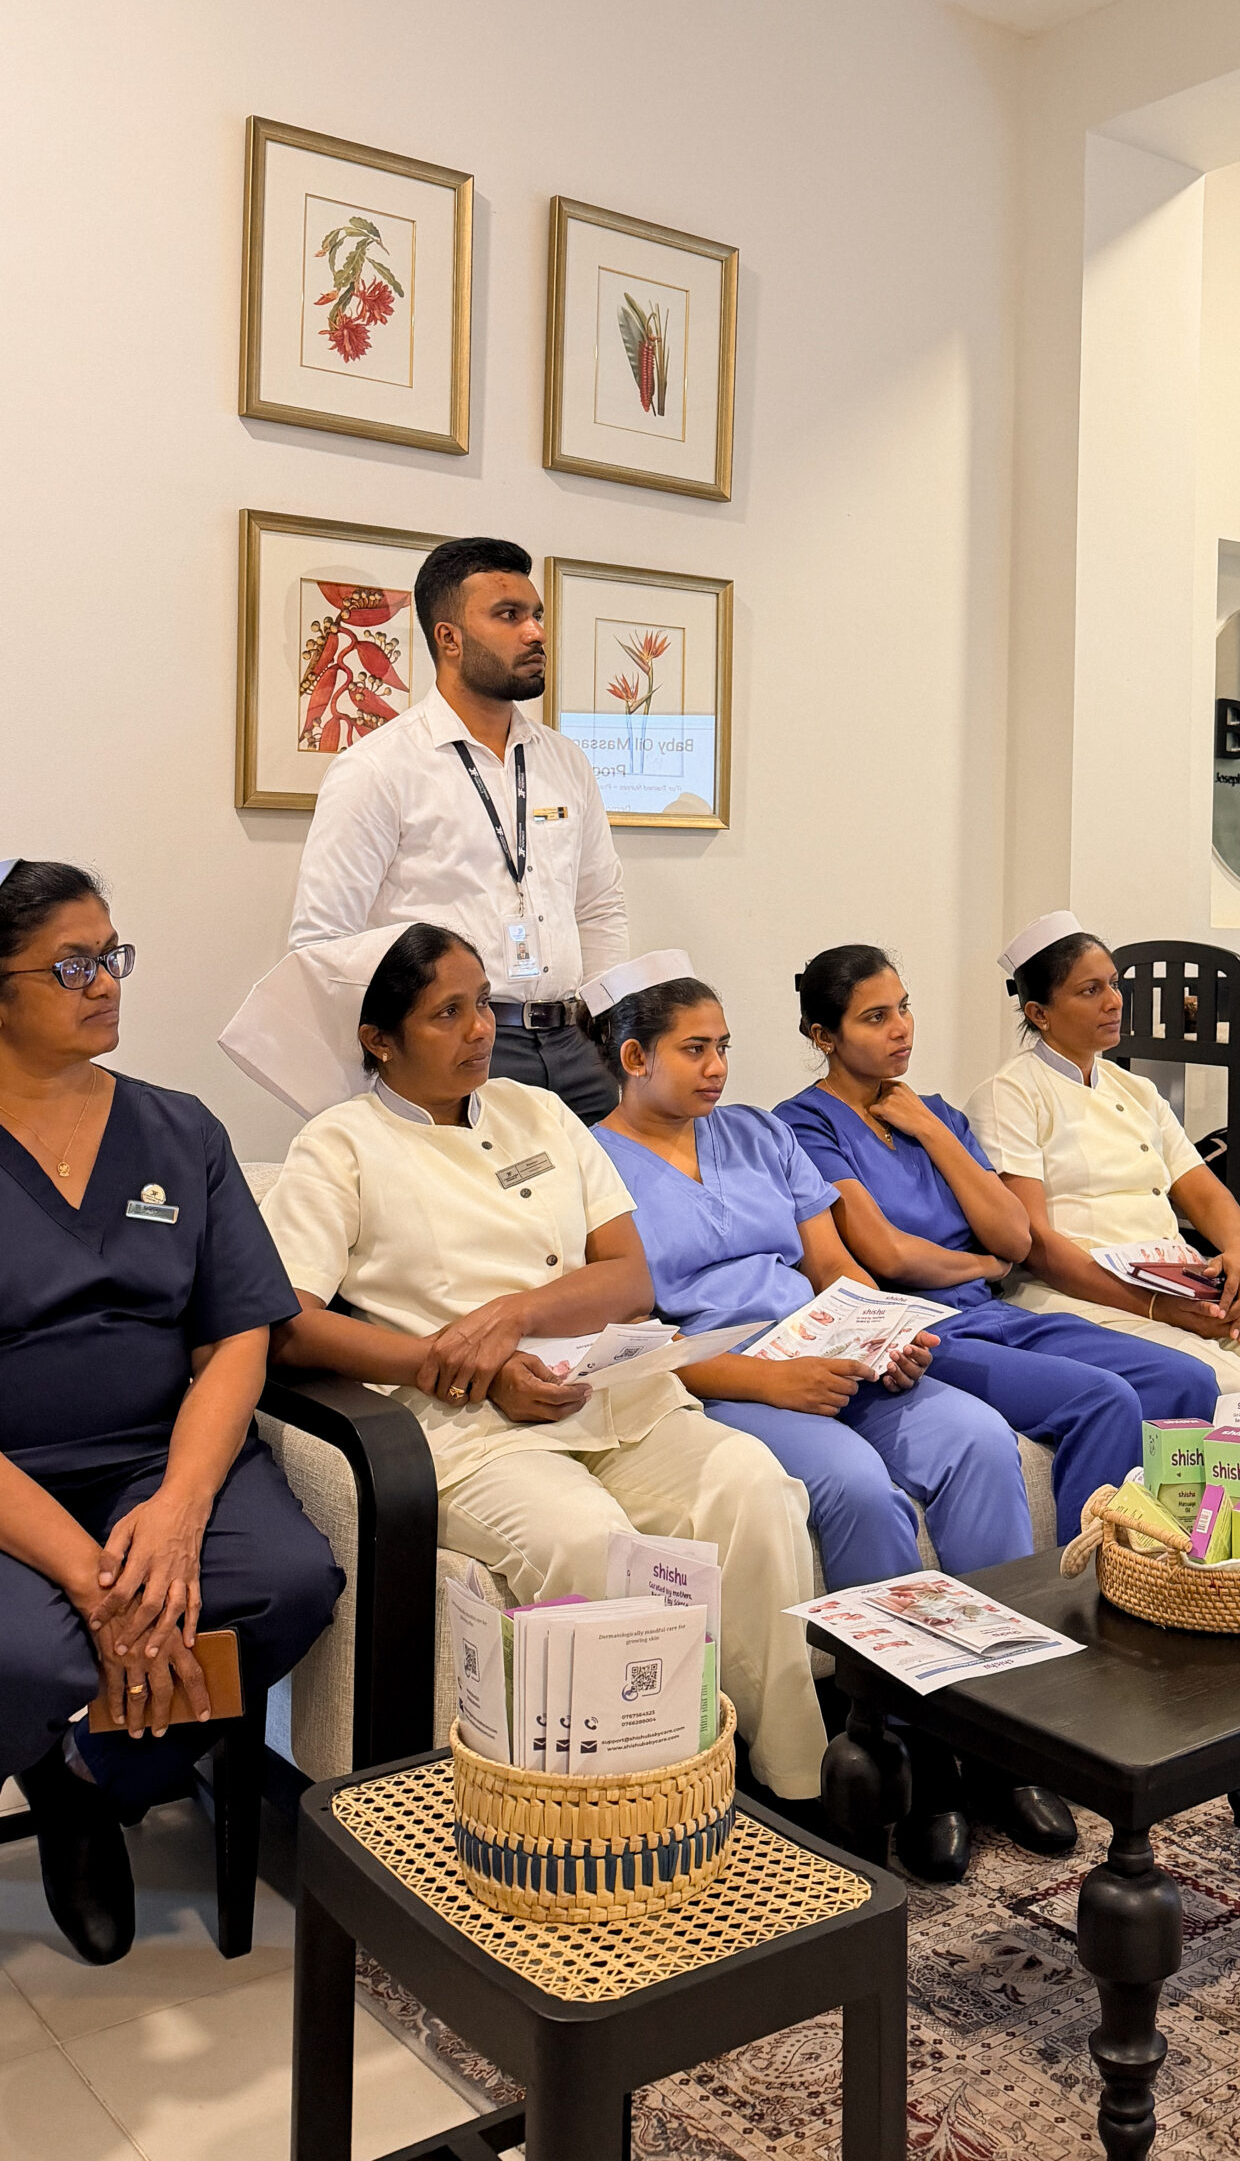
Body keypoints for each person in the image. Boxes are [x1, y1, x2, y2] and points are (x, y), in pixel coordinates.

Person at [222, 924, 825, 1804]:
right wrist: (450, 1362)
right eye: (448, 1014)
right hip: (472, 1426)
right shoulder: (339, 1144)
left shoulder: (538, 1112)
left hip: (612, 1393)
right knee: (588, 1541)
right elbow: (291, 1326)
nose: (480, 1030)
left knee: (753, 1488)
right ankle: (627, 1808)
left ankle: (791, 1784)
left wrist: (511, 1317)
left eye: (483, 1005)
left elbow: (629, 1277)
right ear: (379, 1038)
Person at [586, 953, 1073, 1879]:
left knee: (978, 1440)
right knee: (854, 1485)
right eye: (694, 1050)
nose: (718, 1068)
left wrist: (884, 1333)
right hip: (727, 1379)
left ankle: (1005, 1737)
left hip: (831, 1348)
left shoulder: (757, 1134)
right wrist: (769, 1383)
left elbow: (832, 1268)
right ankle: (917, 1758)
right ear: (634, 1057)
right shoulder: (591, 1164)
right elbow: (632, 1339)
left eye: (724, 1046)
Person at [0, 858, 343, 1967]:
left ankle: (90, 1780)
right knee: (29, 1656)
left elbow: (239, 1332)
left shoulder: (179, 1130)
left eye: (112, 955)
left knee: (287, 1582)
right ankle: (54, 1743)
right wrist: (97, 1581)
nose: (106, 982)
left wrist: (183, 1509)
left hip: (158, 1458)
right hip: (13, 1480)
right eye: (71, 965)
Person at [775, 943, 1219, 1532]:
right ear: (823, 1037)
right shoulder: (804, 1123)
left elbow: (1013, 1237)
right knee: (1103, 1398)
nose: (901, 1029)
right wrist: (981, 1267)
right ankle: (1084, 1577)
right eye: (875, 1017)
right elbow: (889, 1254)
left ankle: (1168, 1564)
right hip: (919, 1330)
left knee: (1187, 1379)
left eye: (904, 1008)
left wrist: (933, 1132)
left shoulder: (935, 1114)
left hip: (992, 1315)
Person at [967, 912, 1240, 1403]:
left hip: (1174, 1279)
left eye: (1113, 984)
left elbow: (1203, 1191)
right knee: (1229, 1384)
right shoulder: (1009, 1095)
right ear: (1040, 1013)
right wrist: (1155, 1307)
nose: (1114, 1001)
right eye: (1090, 990)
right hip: (1076, 1297)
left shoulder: (1137, 1091)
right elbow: (1035, 1244)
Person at [288, 536, 626, 1123]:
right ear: (449, 638)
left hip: (575, 1045)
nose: (535, 633)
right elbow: (323, 942)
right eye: (509, 615)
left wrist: (610, 1027)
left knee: (603, 1184)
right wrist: (370, 1077)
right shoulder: (378, 768)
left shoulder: (565, 761)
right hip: (456, 1048)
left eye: (536, 614)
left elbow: (599, 906)